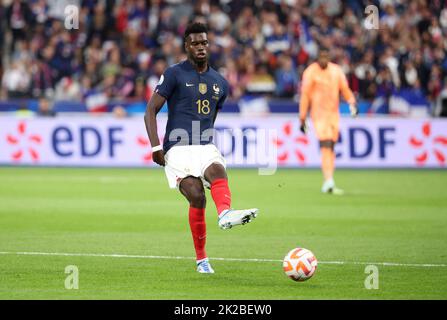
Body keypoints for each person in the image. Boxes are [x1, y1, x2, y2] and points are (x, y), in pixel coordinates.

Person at [144, 23, 259, 274]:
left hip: (204, 144)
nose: (200, 47)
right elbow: (151, 110)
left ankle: (225, 214)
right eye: (195, 43)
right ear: (186, 46)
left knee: (218, 170)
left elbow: (212, 118)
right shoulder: (174, 74)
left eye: (204, 43)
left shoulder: (220, 82)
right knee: (197, 196)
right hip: (176, 148)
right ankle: (202, 259)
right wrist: (155, 146)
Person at [299, 47, 358, 195]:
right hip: (318, 115)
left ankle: (329, 180)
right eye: (321, 57)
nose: (323, 60)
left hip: (333, 115)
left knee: (331, 147)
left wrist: (351, 102)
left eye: (326, 57)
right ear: (317, 58)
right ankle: (328, 181)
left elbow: (345, 89)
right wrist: (302, 117)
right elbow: (305, 96)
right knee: (326, 145)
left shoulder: (336, 71)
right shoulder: (310, 72)